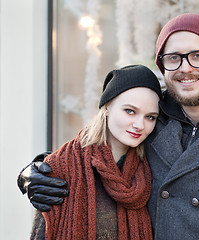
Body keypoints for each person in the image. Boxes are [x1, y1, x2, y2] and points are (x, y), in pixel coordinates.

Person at [18, 13, 199, 239]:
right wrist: (37, 170)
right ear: (163, 67)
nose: (185, 68)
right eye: (173, 58)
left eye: (198, 55)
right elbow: (96, 152)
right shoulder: (151, 117)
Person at [29, 65, 162, 239]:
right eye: (130, 111)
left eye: (150, 117)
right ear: (106, 107)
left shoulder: (150, 167)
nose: (140, 125)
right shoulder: (61, 167)